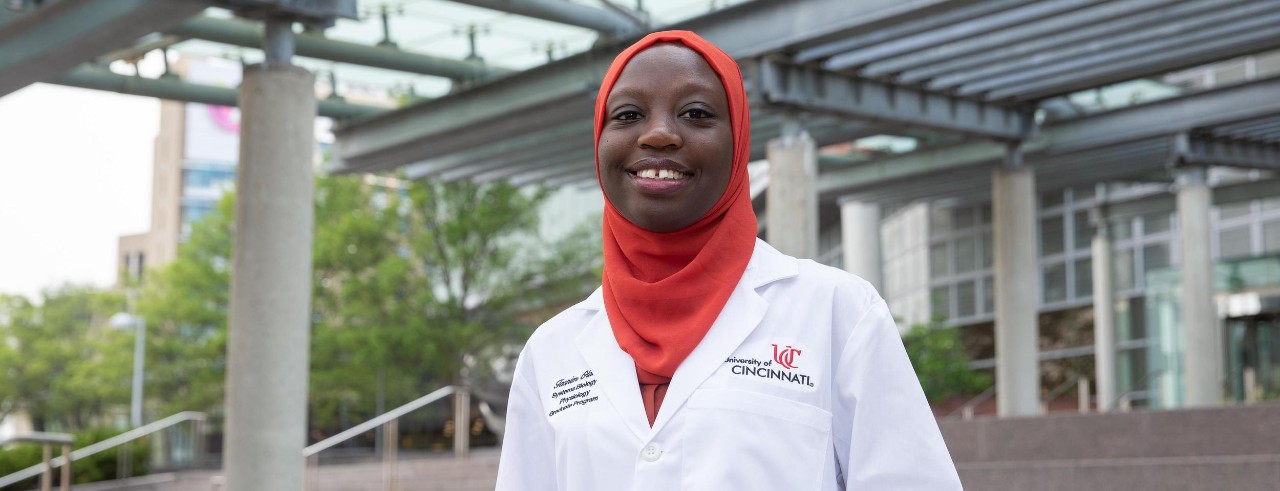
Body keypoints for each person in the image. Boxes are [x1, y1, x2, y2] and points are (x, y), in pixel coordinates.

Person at [495, 30, 961, 490]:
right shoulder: (550, 351)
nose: (658, 134)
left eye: (696, 113)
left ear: (738, 143)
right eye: (629, 115)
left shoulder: (838, 312)